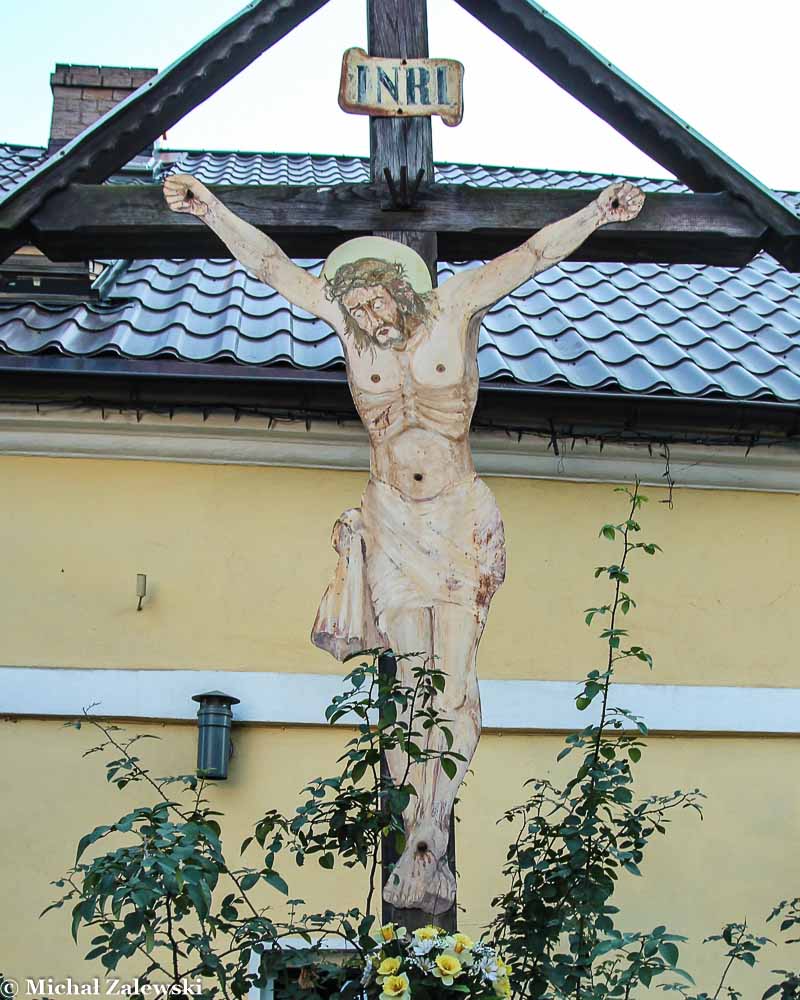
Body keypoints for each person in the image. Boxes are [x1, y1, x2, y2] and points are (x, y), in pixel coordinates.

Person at [164, 173, 645, 913]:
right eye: (354, 308)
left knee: (453, 681)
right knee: (410, 686)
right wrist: (210, 210)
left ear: (401, 289)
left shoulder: (455, 306)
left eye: (373, 303)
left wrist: (598, 212)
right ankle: (417, 835)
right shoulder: (349, 324)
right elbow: (270, 266)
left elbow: (535, 254)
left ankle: (434, 827)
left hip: (455, 515)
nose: (365, 318)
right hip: (390, 516)